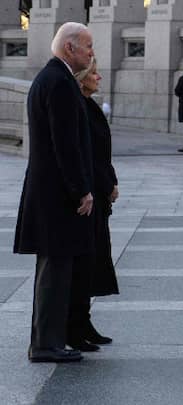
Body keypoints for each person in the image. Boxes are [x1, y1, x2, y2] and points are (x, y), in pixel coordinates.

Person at [14, 22, 94, 363]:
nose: (91, 53)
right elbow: (66, 145)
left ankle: (49, 341)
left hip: (48, 193)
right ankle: (46, 345)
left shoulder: (51, 79)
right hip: (56, 197)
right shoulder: (60, 83)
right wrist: (81, 190)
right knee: (54, 273)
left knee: (54, 270)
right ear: (69, 48)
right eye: (87, 46)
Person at [68, 57, 119, 351]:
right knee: (84, 263)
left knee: (94, 259)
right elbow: (86, 154)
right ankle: (75, 326)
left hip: (99, 193)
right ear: (83, 76)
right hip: (90, 195)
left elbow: (103, 153)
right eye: (94, 73)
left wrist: (111, 181)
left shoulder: (89, 105)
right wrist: (104, 184)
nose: (99, 77)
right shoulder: (80, 107)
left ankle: (84, 323)